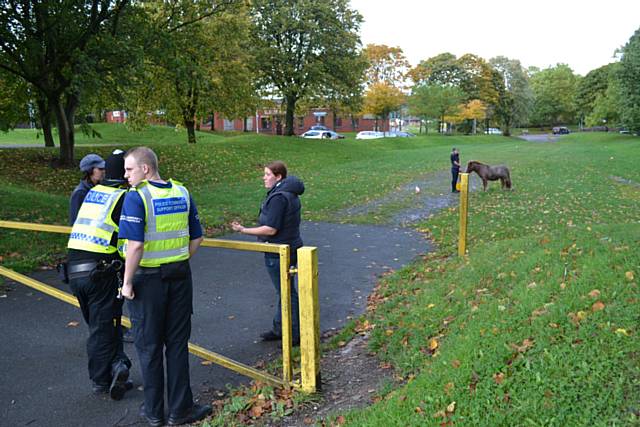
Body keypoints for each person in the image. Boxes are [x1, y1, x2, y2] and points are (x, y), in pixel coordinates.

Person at [119, 147, 211, 427]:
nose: (125, 176)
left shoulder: (137, 197)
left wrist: (126, 283)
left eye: (129, 169)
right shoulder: (182, 192)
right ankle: (180, 410)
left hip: (147, 281)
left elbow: (135, 245)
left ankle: (154, 412)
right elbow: (197, 239)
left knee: (148, 347)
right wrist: (177, 260)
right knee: (177, 345)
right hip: (180, 276)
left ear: (146, 169)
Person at [66, 149, 133, 400]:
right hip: (101, 272)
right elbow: (130, 239)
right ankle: (101, 381)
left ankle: (118, 365)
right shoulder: (124, 197)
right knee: (102, 329)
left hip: (75, 271)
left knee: (104, 325)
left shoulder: (94, 193)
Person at [231, 161, 304, 346]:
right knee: (284, 291)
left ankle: (295, 334)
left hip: (279, 251)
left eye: (267, 174)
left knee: (287, 292)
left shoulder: (279, 197)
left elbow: (271, 229)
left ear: (278, 177)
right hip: (291, 246)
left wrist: (243, 230)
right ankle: (280, 328)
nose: (264, 178)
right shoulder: (288, 193)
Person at [70, 153, 106, 225]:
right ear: (90, 170)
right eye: (100, 169)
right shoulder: (80, 192)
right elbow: (74, 220)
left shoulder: (101, 188)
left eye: (104, 168)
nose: (103, 171)